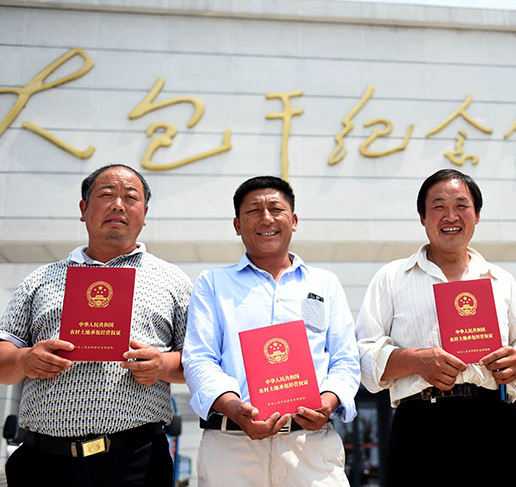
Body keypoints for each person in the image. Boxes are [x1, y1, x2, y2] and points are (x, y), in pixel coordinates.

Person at [0, 164, 192, 487]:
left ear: (145, 214)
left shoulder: (174, 282)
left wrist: (162, 365)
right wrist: (25, 359)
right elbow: (3, 360)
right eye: (106, 194)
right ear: (83, 209)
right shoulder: (40, 279)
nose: (118, 204)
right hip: (43, 461)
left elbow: (198, 362)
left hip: (136, 461)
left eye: (130, 197)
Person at [356, 169, 516, 487]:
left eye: (461, 205)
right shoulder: (392, 278)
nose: (451, 216)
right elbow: (364, 357)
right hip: (421, 425)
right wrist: (418, 361)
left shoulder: (500, 280)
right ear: (422, 217)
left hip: (495, 422)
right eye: (439, 206)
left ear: (477, 215)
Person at [181, 175, 360, 487]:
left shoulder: (324, 284)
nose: (266, 219)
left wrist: (329, 401)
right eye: (253, 211)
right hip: (232, 449)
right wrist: (233, 407)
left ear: (294, 220)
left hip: (310, 448)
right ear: (237, 225)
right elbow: (199, 359)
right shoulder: (212, 283)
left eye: (276, 209)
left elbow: (345, 358)